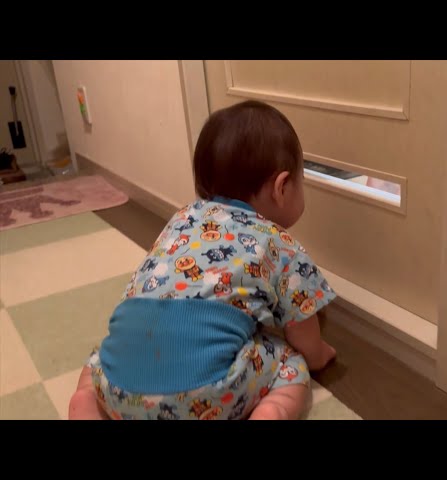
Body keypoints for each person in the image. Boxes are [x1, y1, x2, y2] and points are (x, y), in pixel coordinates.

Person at [68, 100, 336, 420]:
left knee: (99, 359)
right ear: (282, 187)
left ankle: (85, 403)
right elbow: (303, 334)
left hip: (118, 387)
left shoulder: (182, 219)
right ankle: (271, 412)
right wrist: (319, 354)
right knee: (292, 364)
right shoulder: (281, 244)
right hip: (204, 397)